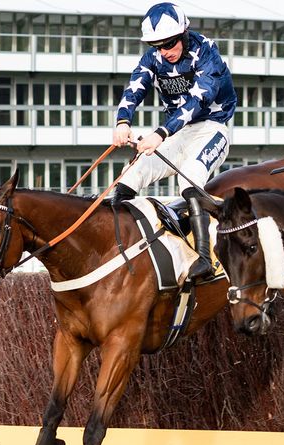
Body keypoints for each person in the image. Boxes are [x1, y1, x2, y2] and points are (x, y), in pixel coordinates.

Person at [111, 2, 237, 280]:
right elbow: (134, 88)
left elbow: (197, 101)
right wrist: (122, 121)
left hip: (211, 128)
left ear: (184, 34)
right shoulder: (153, 59)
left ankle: (204, 258)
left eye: (169, 43)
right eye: (158, 46)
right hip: (177, 133)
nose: (165, 51)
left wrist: (160, 133)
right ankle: (115, 246)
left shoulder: (207, 52)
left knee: (189, 177)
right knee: (131, 175)